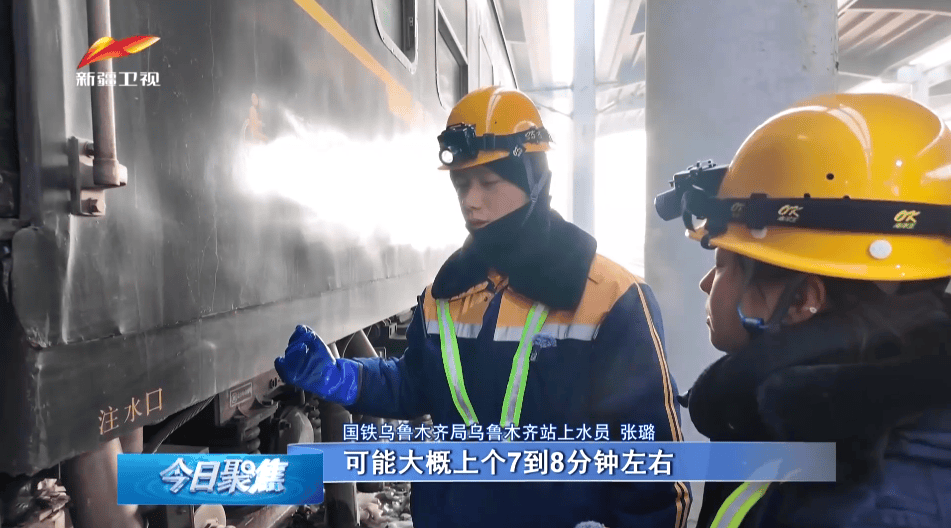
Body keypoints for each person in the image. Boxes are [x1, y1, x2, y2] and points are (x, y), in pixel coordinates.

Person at [274, 86, 691, 528]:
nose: (471, 200)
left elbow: (655, 475)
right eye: (461, 184)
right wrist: (341, 377)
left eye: (489, 183)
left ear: (533, 179)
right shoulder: (445, 294)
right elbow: (415, 382)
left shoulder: (611, 299)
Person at [653, 92, 951, 528]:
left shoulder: (870, 506)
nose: (705, 283)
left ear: (801, 299)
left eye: (723, 263)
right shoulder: (816, 429)